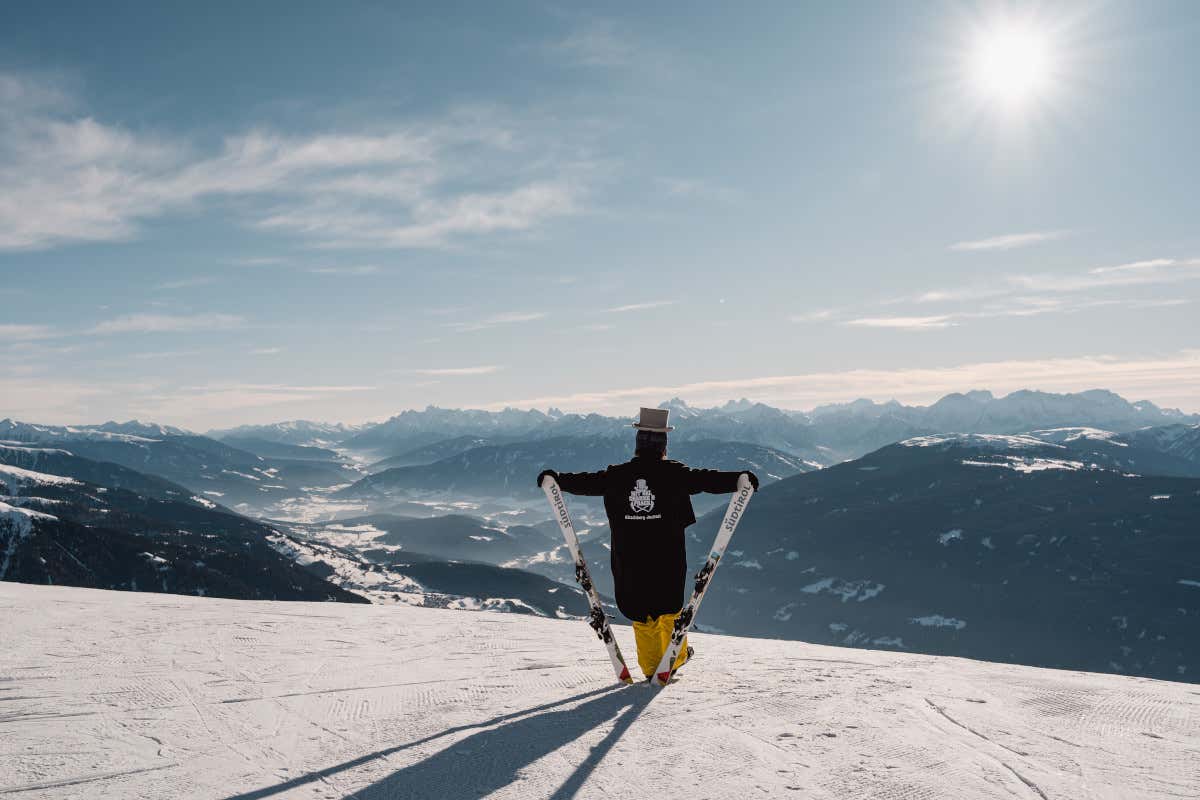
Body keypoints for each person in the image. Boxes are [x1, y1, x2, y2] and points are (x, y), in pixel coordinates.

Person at [537, 407, 759, 681]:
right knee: (669, 609)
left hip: (629, 558)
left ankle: (657, 665)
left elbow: (588, 482)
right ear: (664, 445)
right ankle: (671, 659)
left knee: (641, 614)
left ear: (638, 444)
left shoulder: (617, 475)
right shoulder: (673, 474)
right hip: (667, 557)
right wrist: (738, 480)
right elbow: (704, 479)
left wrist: (557, 480)